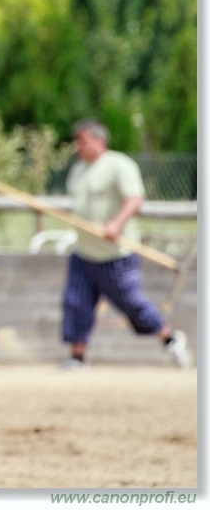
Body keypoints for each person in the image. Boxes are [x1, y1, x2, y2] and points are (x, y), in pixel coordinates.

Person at [59, 119, 190, 370]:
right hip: (84, 252)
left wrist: (116, 224)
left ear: (99, 141)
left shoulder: (119, 165)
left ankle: (170, 339)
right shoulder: (78, 169)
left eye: (83, 141)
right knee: (76, 302)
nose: (78, 147)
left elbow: (134, 198)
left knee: (131, 302)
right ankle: (77, 357)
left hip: (115, 253)